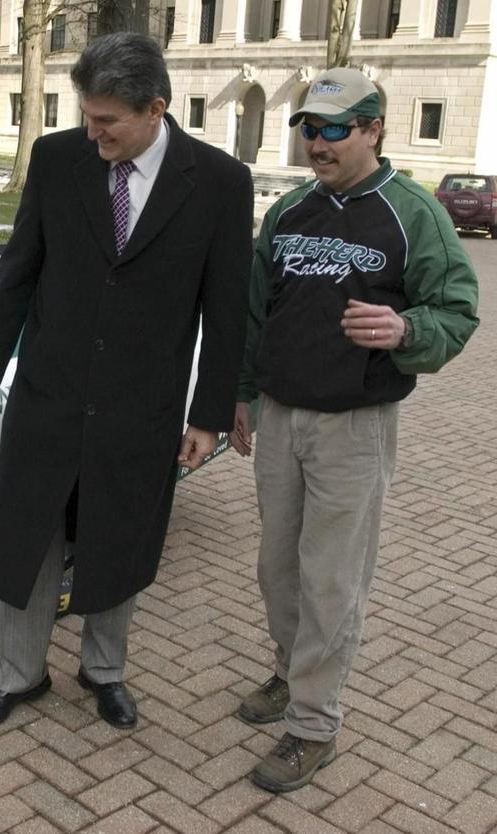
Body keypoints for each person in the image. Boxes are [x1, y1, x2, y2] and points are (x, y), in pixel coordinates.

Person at [0, 32, 254, 732]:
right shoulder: (57, 160)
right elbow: (18, 271)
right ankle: (19, 675)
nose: (92, 133)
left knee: (120, 539)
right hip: (49, 395)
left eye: (107, 121)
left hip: (141, 407)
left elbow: (226, 308)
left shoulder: (219, 182)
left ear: (155, 110)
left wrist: (208, 414)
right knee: (30, 541)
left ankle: (104, 671)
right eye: (87, 116)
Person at [230, 67, 479, 793]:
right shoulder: (290, 212)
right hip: (281, 417)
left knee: (331, 578)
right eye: (310, 128)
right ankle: (289, 672)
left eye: (335, 129)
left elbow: (457, 310)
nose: (318, 143)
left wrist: (406, 329)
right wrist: (241, 396)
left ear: (373, 129)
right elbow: (255, 314)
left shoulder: (413, 212)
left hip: (354, 425)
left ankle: (314, 725)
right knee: (278, 568)